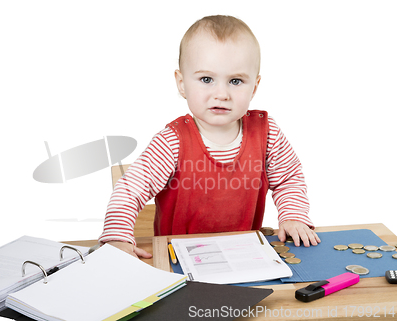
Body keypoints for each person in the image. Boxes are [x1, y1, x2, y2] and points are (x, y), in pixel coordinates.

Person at [99, 15, 320, 258]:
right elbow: (130, 190)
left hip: (243, 256)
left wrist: (293, 216)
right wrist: (117, 238)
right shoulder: (171, 142)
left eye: (236, 81)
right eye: (206, 79)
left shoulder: (267, 133)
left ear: (254, 88)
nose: (221, 93)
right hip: (179, 260)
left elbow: (288, 179)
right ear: (182, 84)